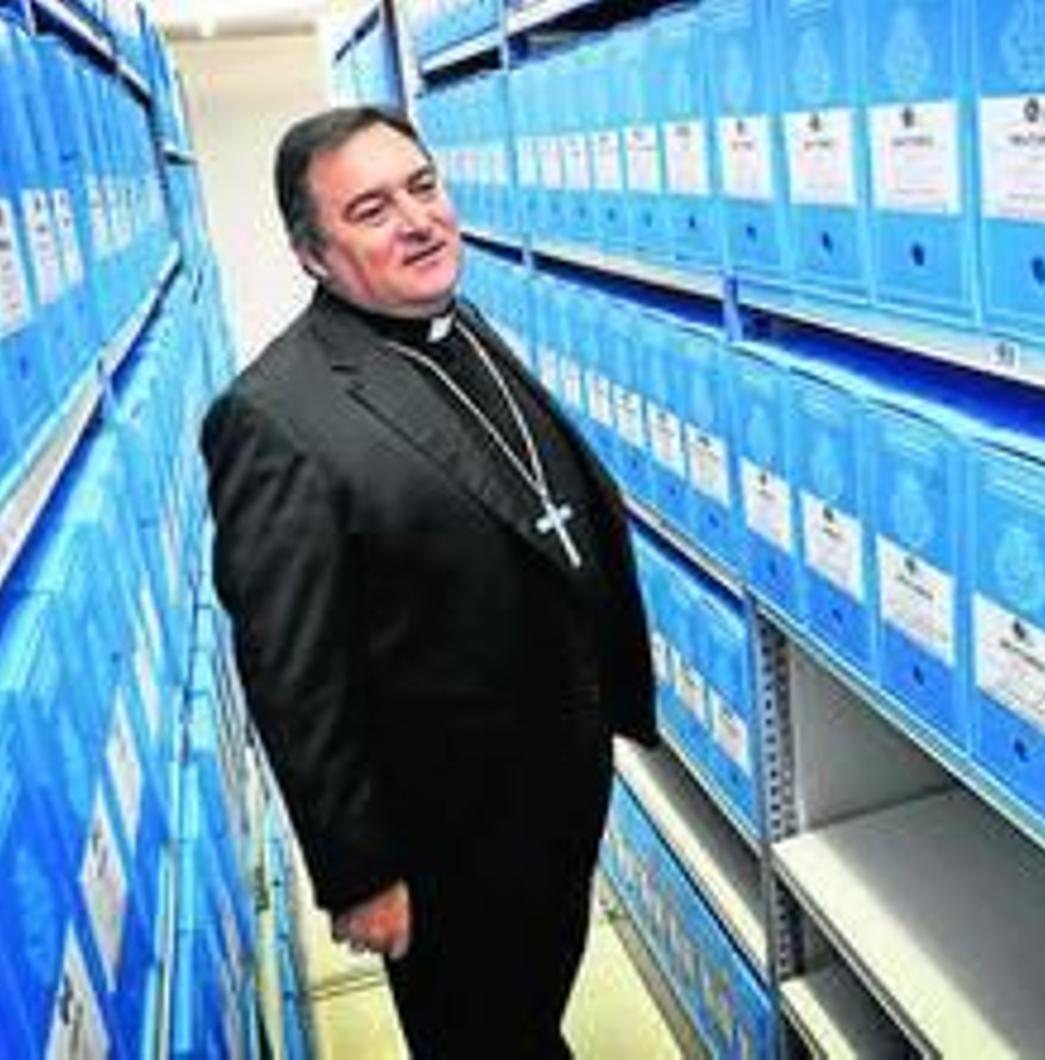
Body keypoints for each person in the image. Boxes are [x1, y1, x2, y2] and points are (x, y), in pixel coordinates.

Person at [200, 105, 658, 1058]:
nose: (418, 220)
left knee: (526, 1009)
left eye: (422, 186)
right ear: (313, 255)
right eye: (371, 209)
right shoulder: (276, 416)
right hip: (448, 830)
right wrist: (359, 873)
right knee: (478, 1035)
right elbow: (293, 673)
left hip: (550, 782)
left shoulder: (456, 323)